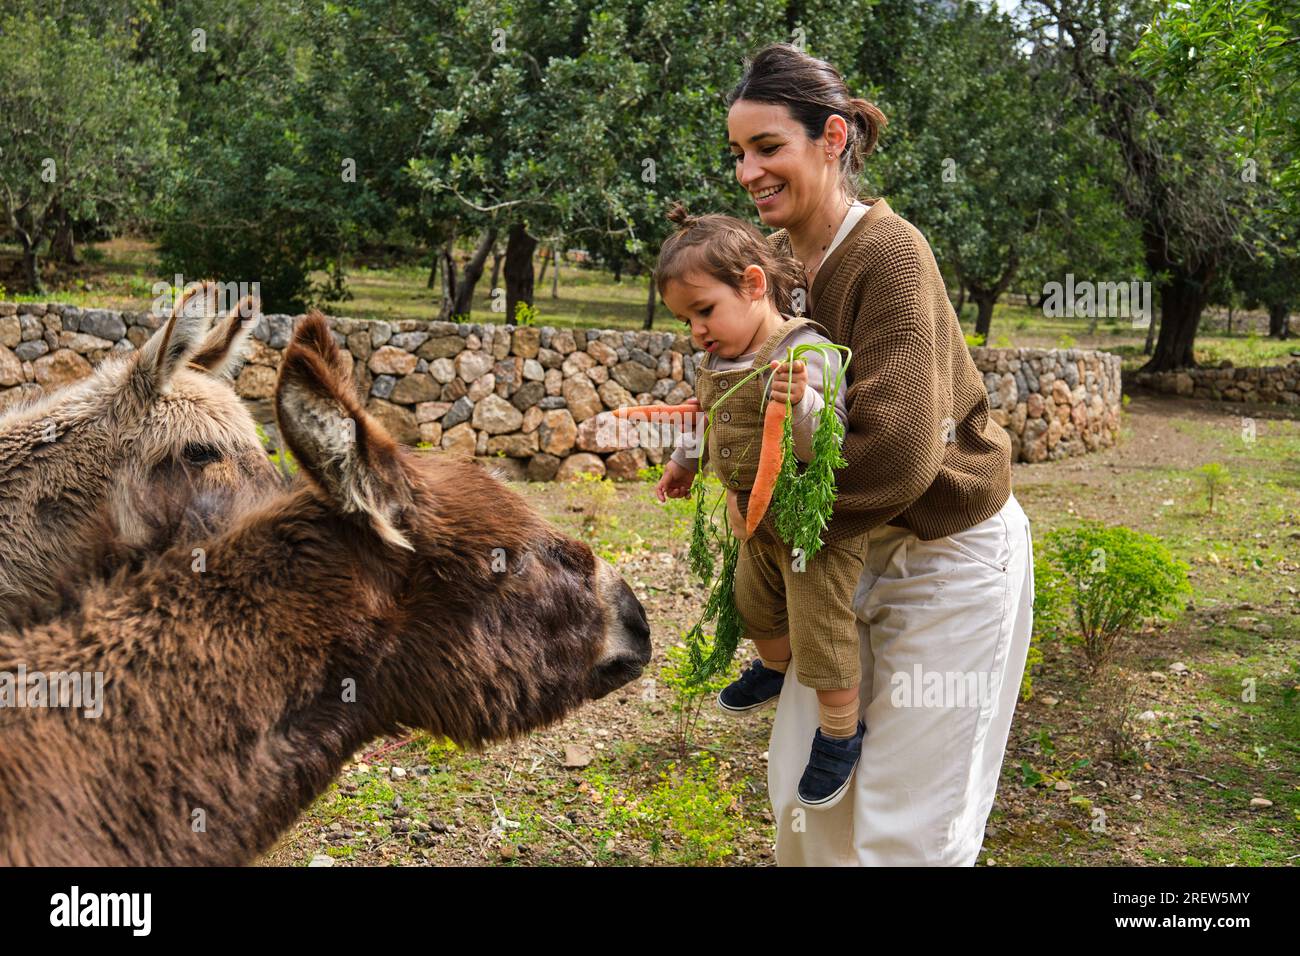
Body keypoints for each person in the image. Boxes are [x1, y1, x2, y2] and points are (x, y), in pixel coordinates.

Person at [719, 42, 1036, 865]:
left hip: (946, 556)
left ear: (832, 138)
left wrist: (763, 512)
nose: (749, 172)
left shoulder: (889, 255)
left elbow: (897, 457)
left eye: (766, 147)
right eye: (738, 154)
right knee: (805, 805)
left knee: (908, 833)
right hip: (839, 549)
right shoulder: (785, 270)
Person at [650, 201, 870, 809]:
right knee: (753, 610)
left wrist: (800, 404)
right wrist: (684, 464)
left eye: (704, 311)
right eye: (685, 319)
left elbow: (825, 444)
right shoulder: (719, 360)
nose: (697, 330)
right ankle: (774, 670)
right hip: (753, 521)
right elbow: (708, 419)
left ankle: (840, 736)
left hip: (809, 525)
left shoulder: (805, 352)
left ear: (752, 285)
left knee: (822, 633)